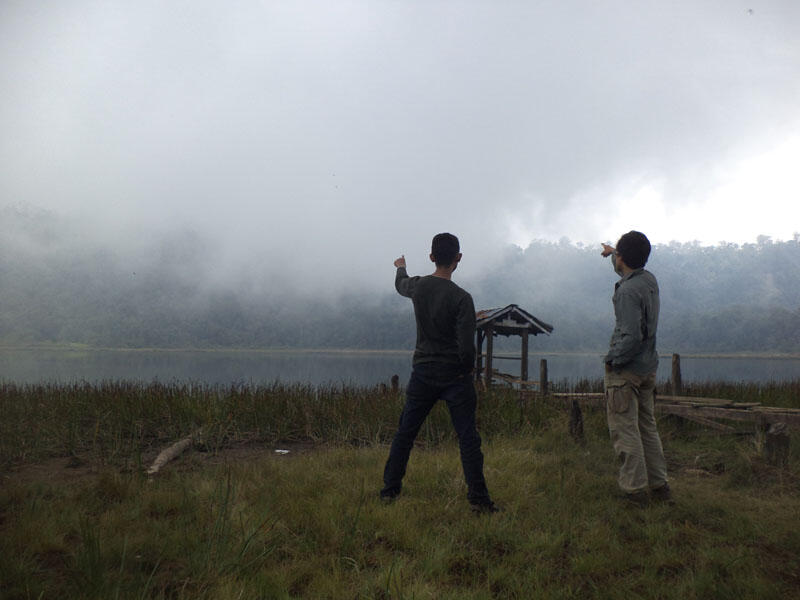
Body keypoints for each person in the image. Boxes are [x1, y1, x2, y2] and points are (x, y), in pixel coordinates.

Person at [380, 233, 498, 514]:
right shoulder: (462, 299)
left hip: (422, 372)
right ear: (458, 259)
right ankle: (479, 501)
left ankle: (389, 492)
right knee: (468, 438)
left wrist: (400, 266)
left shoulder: (419, 287)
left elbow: (400, 285)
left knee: (405, 433)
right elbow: (467, 348)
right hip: (455, 377)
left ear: (432, 257)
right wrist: (466, 371)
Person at [601, 231, 672, 506]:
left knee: (624, 430)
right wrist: (612, 253)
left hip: (626, 370)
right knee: (647, 427)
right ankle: (659, 486)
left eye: (616, 253)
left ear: (622, 258)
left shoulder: (627, 292)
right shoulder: (648, 280)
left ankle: (635, 492)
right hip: (648, 367)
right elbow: (625, 269)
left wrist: (612, 360)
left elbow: (631, 336)